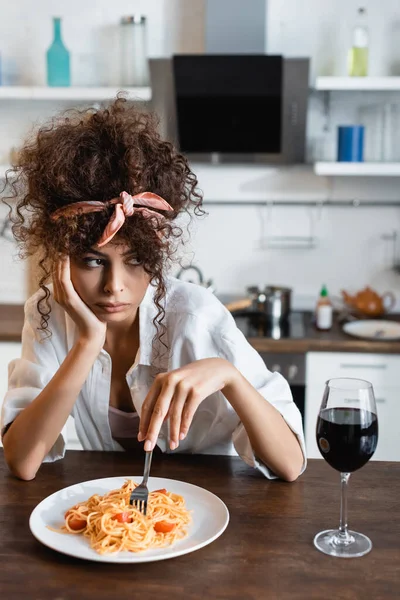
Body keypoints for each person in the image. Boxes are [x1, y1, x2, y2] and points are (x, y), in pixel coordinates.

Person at [1, 97, 306, 482]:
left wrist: (228, 374)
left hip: (214, 509)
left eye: (135, 261)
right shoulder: (47, 313)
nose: (114, 287)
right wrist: (87, 343)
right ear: (62, 255)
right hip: (113, 514)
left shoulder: (197, 315)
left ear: (156, 255)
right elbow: (23, 462)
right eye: (93, 261)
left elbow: (291, 465)